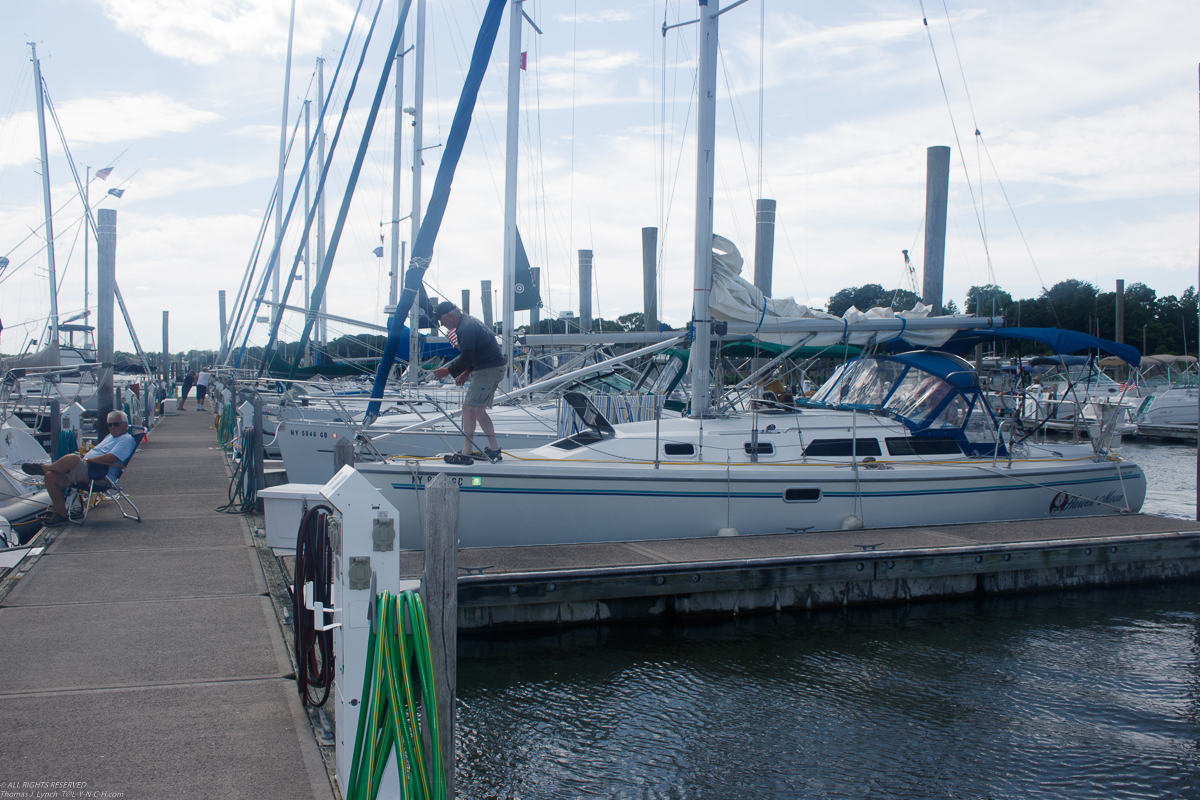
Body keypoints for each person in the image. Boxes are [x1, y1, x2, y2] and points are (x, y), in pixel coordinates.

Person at [22, 410, 138, 525]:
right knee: (50, 477)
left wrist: (87, 459)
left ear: (125, 425)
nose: (112, 427)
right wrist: (84, 456)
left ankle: (43, 468)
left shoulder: (126, 439)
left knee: (72, 458)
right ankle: (61, 515)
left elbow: (110, 458)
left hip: (99, 474)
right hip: (87, 470)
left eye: (116, 424)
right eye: (109, 424)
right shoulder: (110, 436)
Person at [431, 301, 506, 464]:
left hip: (488, 370)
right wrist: (466, 372)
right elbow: (475, 353)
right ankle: (494, 450)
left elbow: (467, 357)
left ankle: (466, 452)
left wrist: (447, 371)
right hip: (492, 368)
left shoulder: (465, 329)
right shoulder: (469, 321)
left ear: (449, 316)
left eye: (441, 321)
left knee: (468, 408)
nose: (442, 325)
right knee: (478, 410)